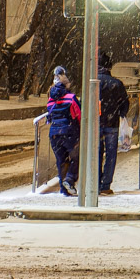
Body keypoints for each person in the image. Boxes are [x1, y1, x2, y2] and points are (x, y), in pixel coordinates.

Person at [96, 53, 130, 196]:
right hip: (112, 124)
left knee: (96, 154)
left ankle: (95, 182)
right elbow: (125, 103)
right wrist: (119, 114)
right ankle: (105, 185)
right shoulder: (116, 83)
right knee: (111, 155)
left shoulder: (92, 82)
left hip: (95, 124)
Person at [45, 66, 80, 196]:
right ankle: (70, 180)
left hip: (54, 134)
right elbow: (79, 115)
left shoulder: (50, 100)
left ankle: (63, 188)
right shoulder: (71, 98)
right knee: (75, 158)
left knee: (61, 161)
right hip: (69, 132)